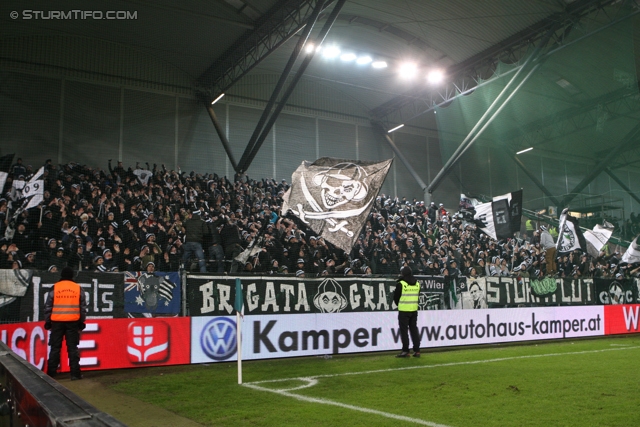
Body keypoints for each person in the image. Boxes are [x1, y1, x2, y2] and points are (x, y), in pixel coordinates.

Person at [44, 267, 87, 380]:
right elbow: (82, 308)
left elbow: (48, 306)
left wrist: (48, 321)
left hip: (57, 322)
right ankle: (75, 374)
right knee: (72, 348)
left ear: (61, 275)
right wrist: (81, 322)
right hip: (73, 321)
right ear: (72, 276)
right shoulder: (78, 288)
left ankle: (51, 373)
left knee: (55, 348)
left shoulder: (55, 287)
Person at [393, 266, 421, 358]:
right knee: (414, 330)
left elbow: (396, 298)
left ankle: (405, 350)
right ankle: (417, 350)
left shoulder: (401, 284)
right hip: (414, 309)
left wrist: (400, 304)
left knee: (404, 331)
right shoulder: (417, 283)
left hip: (404, 310)